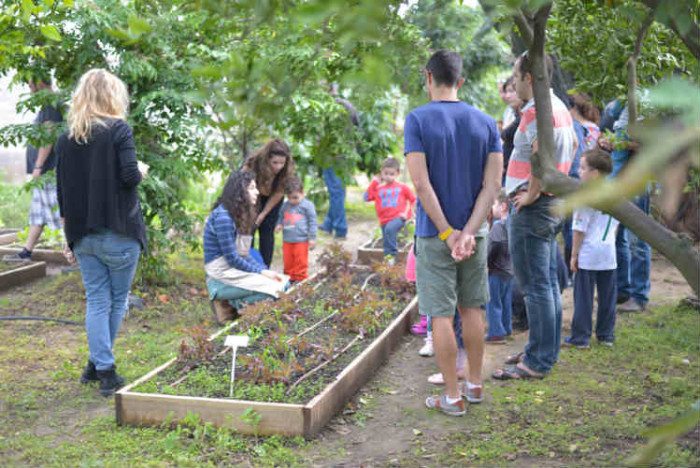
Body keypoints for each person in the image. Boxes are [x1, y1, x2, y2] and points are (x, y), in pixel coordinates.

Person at [405, 50, 503, 416]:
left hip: (435, 235)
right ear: (460, 81)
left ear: (428, 77)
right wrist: (469, 232)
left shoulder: (417, 119)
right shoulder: (486, 122)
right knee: (472, 308)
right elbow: (492, 185)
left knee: (441, 316)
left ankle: (452, 396)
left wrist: (447, 233)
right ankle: (475, 385)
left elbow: (420, 183)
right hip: (475, 235)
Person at [55, 69, 148, 397]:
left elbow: (62, 192)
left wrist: (68, 237)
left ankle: (97, 365)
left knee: (97, 300)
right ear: (112, 96)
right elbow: (129, 177)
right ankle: (105, 371)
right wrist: (141, 170)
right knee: (116, 300)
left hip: (83, 235)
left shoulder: (67, 138)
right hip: (120, 232)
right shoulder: (119, 130)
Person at [493, 52, 576, 382]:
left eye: (516, 75)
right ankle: (543, 350)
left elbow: (544, 155)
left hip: (534, 207)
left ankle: (537, 361)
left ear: (530, 77)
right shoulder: (554, 106)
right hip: (550, 205)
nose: (512, 81)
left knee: (536, 286)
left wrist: (530, 193)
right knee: (546, 285)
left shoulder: (539, 112)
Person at [204, 171, 288, 324]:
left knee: (282, 283)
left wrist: (264, 271)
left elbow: (244, 253)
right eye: (252, 188)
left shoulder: (241, 214)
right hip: (221, 272)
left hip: (232, 267)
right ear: (240, 192)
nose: (257, 192)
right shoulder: (223, 217)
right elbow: (232, 258)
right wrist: (261, 272)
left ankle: (234, 304)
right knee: (274, 292)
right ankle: (226, 302)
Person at [4, 77, 64, 263]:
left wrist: (38, 165)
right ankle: (26, 252)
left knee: (62, 215)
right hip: (44, 174)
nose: (29, 89)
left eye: (31, 84)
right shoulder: (48, 104)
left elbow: (48, 137)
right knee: (37, 214)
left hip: (49, 173)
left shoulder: (51, 106)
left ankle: (76, 256)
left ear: (41, 83)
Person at [599, 101, 650, 313]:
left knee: (638, 238)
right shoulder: (616, 104)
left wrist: (620, 144)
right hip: (618, 180)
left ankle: (639, 295)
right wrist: (607, 142)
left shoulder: (645, 105)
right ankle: (622, 290)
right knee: (617, 236)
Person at [565, 148, 619, 348]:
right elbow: (617, 224)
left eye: (582, 168)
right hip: (608, 252)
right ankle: (606, 335)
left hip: (588, 252)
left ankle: (581, 337)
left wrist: (574, 255)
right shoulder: (616, 192)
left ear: (594, 173)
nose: (578, 171)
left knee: (584, 298)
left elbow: (579, 229)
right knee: (607, 297)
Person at [242, 139, 296, 268]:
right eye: (274, 162)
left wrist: (263, 213)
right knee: (249, 229)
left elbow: (278, 193)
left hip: (272, 198)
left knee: (267, 232)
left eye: (281, 163)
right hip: (252, 195)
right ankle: (247, 265)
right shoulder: (253, 163)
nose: (278, 166)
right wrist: (254, 212)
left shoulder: (286, 170)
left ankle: (265, 268)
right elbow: (244, 186)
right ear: (267, 159)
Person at [319, 84, 359, 239]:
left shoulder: (324, 108)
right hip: (347, 154)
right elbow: (356, 128)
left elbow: (320, 133)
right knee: (338, 191)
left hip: (331, 155)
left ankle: (340, 228)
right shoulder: (348, 105)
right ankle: (329, 223)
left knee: (336, 192)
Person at [363, 157, 416, 264]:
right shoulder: (379, 189)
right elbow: (366, 197)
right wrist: (374, 183)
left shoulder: (402, 187)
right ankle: (389, 260)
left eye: (391, 174)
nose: (388, 176)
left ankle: (392, 255)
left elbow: (414, 200)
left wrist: (408, 213)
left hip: (397, 218)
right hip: (384, 220)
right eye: (385, 173)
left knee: (390, 230)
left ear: (397, 174)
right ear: (381, 173)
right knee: (386, 239)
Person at [275, 176, 317, 282]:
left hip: (301, 239)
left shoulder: (307, 206)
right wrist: (279, 224)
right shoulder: (285, 206)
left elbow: (312, 222)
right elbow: (281, 217)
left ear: (303, 193)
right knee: (288, 260)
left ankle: (300, 279)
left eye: (295, 197)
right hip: (287, 239)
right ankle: (289, 278)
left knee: (300, 261)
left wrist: (312, 238)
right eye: (289, 198)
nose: (292, 201)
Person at [485, 190, 514, 344]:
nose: (492, 207)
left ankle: (496, 332)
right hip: (509, 270)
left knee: (493, 302)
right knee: (505, 300)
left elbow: (493, 245)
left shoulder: (498, 225)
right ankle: (507, 327)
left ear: (503, 206)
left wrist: (486, 264)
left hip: (495, 270)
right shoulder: (513, 224)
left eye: (494, 204)